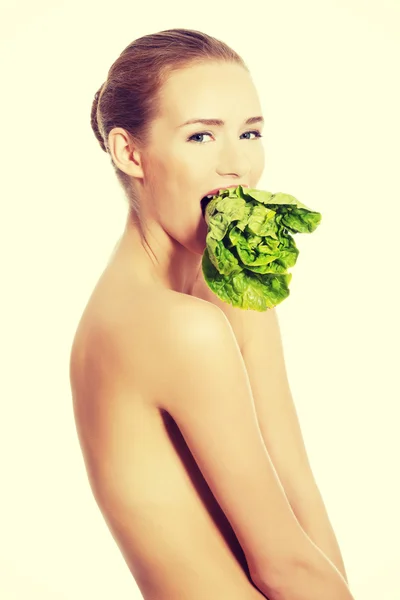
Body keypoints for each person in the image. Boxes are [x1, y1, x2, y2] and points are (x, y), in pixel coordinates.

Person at [69, 28, 355, 600]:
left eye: (251, 133)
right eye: (201, 136)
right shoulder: (170, 326)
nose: (238, 164)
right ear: (131, 152)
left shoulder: (227, 295)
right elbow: (282, 566)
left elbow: (300, 497)